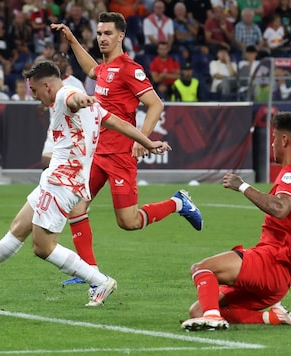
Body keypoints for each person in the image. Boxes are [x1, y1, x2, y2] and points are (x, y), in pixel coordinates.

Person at [0, 60, 170, 307]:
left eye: (35, 89)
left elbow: (72, 99)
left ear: (47, 86)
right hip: (55, 179)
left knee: (42, 247)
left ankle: (99, 281)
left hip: (63, 183)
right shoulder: (91, 105)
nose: (34, 95)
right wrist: (147, 142)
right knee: (19, 227)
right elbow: (122, 124)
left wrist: (80, 100)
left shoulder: (64, 95)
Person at [51, 13, 203, 287]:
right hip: (98, 152)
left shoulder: (129, 69)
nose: (102, 38)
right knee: (76, 206)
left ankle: (179, 203)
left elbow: (156, 104)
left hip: (121, 155)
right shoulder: (106, 69)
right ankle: (89, 271)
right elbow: (90, 69)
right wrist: (73, 40)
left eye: (107, 33)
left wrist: (141, 140)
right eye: (99, 33)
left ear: (121, 36)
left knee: (128, 221)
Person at [181, 111, 291, 331]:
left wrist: (242, 186)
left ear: (284, 140)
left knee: (202, 269)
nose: (272, 144)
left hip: (270, 262)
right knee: (198, 310)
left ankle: (214, 320)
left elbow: (280, 208)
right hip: (281, 280)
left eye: (274, 137)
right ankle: (271, 318)